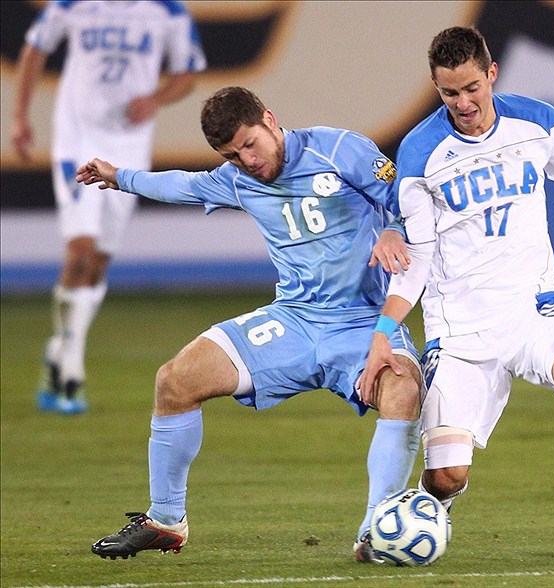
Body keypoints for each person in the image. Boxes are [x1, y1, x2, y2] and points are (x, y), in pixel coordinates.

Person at [75, 86, 423, 561]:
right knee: (176, 380)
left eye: (250, 144)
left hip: (363, 321)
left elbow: (409, 198)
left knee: (404, 389)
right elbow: (183, 185)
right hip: (294, 320)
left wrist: (391, 229)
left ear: (269, 119)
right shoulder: (237, 179)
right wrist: (121, 177)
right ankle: (166, 521)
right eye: (232, 155)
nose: (247, 160)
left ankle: (377, 532)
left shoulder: (341, 149)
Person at [360, 26, 554, 561]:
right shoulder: (420, 153)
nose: (464, 103)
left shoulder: (538, 123)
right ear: (435, 86)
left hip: (534, 304)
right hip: (461, 328)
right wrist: (384, 331)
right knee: (447, 477)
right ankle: (412, 521)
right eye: (450, 93)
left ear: (491, 74)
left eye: (473, 87)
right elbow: (417, 257)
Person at [11, 0, 207, 415]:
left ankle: (57, 349)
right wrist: (20, 117)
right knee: (80, 250)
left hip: (128, 150)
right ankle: (70, 368)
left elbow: (188, 72)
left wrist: (155, 98)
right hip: (76, 142)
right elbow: (34, 49)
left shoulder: (166, 12)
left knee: (98, 262)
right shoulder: (73, 5)